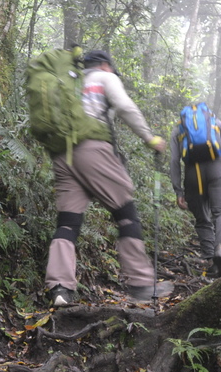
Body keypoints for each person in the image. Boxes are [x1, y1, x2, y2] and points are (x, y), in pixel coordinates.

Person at [43, 49, 172, 308]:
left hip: (61, 154)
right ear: (105, 65)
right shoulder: (104, 78)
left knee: (68, 221)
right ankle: (141, 283)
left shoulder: (69, 81)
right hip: (92, 149)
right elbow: (125, 107)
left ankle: (60, 287)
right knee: (126, 211)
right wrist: (150, 138)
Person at [169, 104, 221, 277]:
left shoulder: (179, 130)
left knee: (202, 219)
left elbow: (174, 161)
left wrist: (178, 190)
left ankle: (212, 260)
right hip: (216, 168)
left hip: (191, 173)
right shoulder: (214, 123)